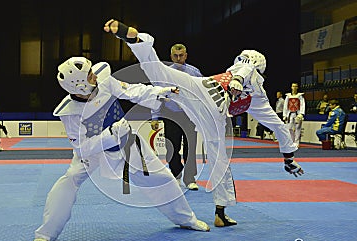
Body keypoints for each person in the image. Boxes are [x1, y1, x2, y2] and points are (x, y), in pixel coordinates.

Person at [104, 19, 304, 228]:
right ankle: (220, 212)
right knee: (219, 157)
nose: (242, 63)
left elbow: (245, 71)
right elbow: (277, 124)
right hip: (212, 104)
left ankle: (138, 42)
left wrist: (237, 79)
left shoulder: (250, 79)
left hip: (204, 90)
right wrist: (288, 156)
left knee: (160, 74)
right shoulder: (253, 86)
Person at [32, 57, 210, 241]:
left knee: (162, 178)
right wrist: (110, 135)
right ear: (79, 85)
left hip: (127, 141)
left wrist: (160, 91)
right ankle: (47, 232)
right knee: (69, 181)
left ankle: (186, 219)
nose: (94, 76)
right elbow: (83, 148)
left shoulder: (105, 80)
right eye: (89, 75)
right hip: (93, 153)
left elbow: (132, 90)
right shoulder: (70, 112)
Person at [150, 43, 202, 190]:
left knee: (190, 147)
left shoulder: (195, 72)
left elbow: (202, 95)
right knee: (171, 146)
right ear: (171, 56)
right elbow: (157, 95)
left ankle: (190, 178)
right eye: (175, 56)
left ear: (186, 55)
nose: (178, 58)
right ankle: (176, 174)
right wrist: (155, 117)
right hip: (170, 114)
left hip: (189, 114)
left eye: (181, 55)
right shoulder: (164, 73)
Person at [283, 82, 305, 147]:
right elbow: (285, 106)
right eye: (293, 86)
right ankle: (292, 141)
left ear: (297, 87)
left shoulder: (300, 96)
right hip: (290, 113)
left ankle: (297, 142)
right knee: (289, 128)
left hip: (297, 113)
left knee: (298, 128)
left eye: (295, 86)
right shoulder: (288, 96)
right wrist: (285, 115)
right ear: (291, 87)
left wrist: (301, 114)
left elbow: (302, 105)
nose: (294, 88)